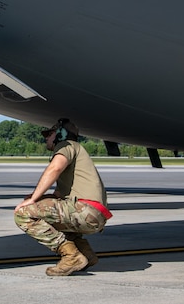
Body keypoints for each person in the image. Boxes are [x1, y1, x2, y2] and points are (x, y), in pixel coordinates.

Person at [14, 118, 111, 276]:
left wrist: (31, 201)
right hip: (94, 215)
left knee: (23, 214)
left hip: (84, 211)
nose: (46, 137)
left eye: (49, 133)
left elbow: (55, 168)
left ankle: (71, 256)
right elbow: (58, 195)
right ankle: (85, 253)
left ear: (60, 134)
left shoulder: (66, 145)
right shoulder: (77, 151)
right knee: (52, 216)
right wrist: (36, 197)